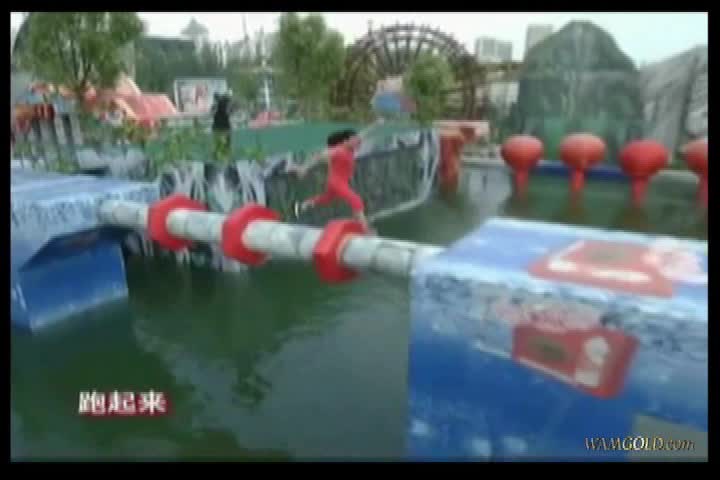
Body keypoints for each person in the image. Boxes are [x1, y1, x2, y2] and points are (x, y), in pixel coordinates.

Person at [290, 122, 381, 231]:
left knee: (327, 198)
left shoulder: (350, 148)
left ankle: (303, 205)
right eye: (354, 141)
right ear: (345, 141)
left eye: (356, 141)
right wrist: (304, 167)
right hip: (337, 182)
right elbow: (320, 155)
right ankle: (366, 229)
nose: (357, 143)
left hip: (337, 181)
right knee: (356, 200)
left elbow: (363, 134)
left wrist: (376, 124)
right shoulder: (339, 150)